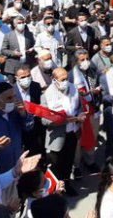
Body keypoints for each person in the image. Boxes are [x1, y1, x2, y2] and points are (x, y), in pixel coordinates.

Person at [41, 68, 84, 196]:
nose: (66, 81)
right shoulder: (46, 95)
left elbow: (79, 106)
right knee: (56, 164)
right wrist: (65, 120)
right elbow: (44, 121)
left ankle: (66, 185)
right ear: (54, 80)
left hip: (72, 133)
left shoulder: (73, 88)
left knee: (69, 161)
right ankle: (55, 189)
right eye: (62, 79)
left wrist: (80, 115)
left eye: (67, 78)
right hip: (57, 137)